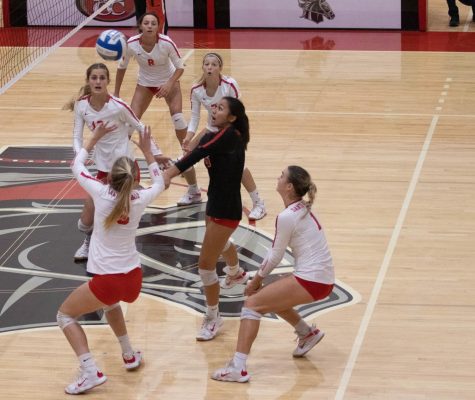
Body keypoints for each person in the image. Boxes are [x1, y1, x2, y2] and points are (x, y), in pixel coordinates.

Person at [57, 125, 166, 394]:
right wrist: (147, 149)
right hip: (133, 278)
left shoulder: (100, 193)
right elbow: (161, 182)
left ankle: (89, 370)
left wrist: (92, 139)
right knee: (110, 304)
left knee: (65, 316)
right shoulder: (140, 198)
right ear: (133, 179)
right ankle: (129, 354)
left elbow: (77, 165)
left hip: (108, 278)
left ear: (110, 178)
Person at [211, 165, 335, 382]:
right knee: (270, 297)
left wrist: (256, 281)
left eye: (281, 176)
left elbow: (275, 256)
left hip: (312, 278)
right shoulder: (303, 207)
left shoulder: (287, 216)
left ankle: (237, 367)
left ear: (288, 187)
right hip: (321, 277)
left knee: (252, 304)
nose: (277, 178)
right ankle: (307, 333)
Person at [162, 97, 250, 340]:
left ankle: (213, 316)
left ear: (231, 117)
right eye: (215, 106)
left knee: (205, 265)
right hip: (215, 202)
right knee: (220, 244)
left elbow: (196, 155)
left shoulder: (229, 135)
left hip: (227, 209)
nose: (214, 109)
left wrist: (168, 174)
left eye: (220, 108)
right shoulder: (219, 131)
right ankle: (236, 272)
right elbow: (194, 147)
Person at [66, 62, 167, 262]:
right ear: (88, 81)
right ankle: (88, 240)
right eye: (94, 78)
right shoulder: (82, 105)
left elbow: (140, 126)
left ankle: (123, 249)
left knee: (126, 211)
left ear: (108, 81)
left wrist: (156, 153)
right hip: (103, 168)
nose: (98, 81)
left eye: (102, 78)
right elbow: (77, 136)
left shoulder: (118, 106)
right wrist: (80, 156)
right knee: (86, 219)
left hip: (126, 166)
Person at [114, 11, 201, 206]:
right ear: (141, 26)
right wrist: (117, 93)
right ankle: (125, 180)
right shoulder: (132, 44)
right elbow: (122, 67)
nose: (150, 26)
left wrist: (170, 84)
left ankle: (193, 188)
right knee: (128, 126)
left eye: (154, 23)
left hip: (169, 82)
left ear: (158, 27)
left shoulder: (167, 43)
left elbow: (180, 67)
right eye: (147, 23)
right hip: (145, 84)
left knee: (179, 124)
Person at [184, 52, 266, 221]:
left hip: (231, 131)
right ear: (202, 67)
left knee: (239, 167)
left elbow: (239, 111)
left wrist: (236, 135)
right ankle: (194, 192)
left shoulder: (229, 85)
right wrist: (189, 136)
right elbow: (194, 117)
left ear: (220, 68)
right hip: (211, 129)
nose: (210, 67)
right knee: (186, 156)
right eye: (207, 64)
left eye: (214, 64)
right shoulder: (196, 89)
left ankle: (259, 203)